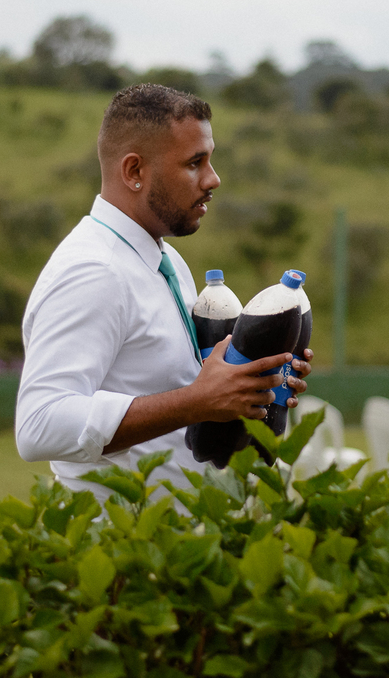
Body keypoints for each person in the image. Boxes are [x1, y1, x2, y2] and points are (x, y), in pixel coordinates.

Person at [15, 83, 312, 501]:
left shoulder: (164, 258)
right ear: (134, 171)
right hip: (122, 548)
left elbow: (175, 388)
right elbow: (39, 426)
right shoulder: (93, 272)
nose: (214, 178)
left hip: (178, 547)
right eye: (195, 163)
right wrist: (197, 400)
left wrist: (248, 380)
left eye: (210, 159)